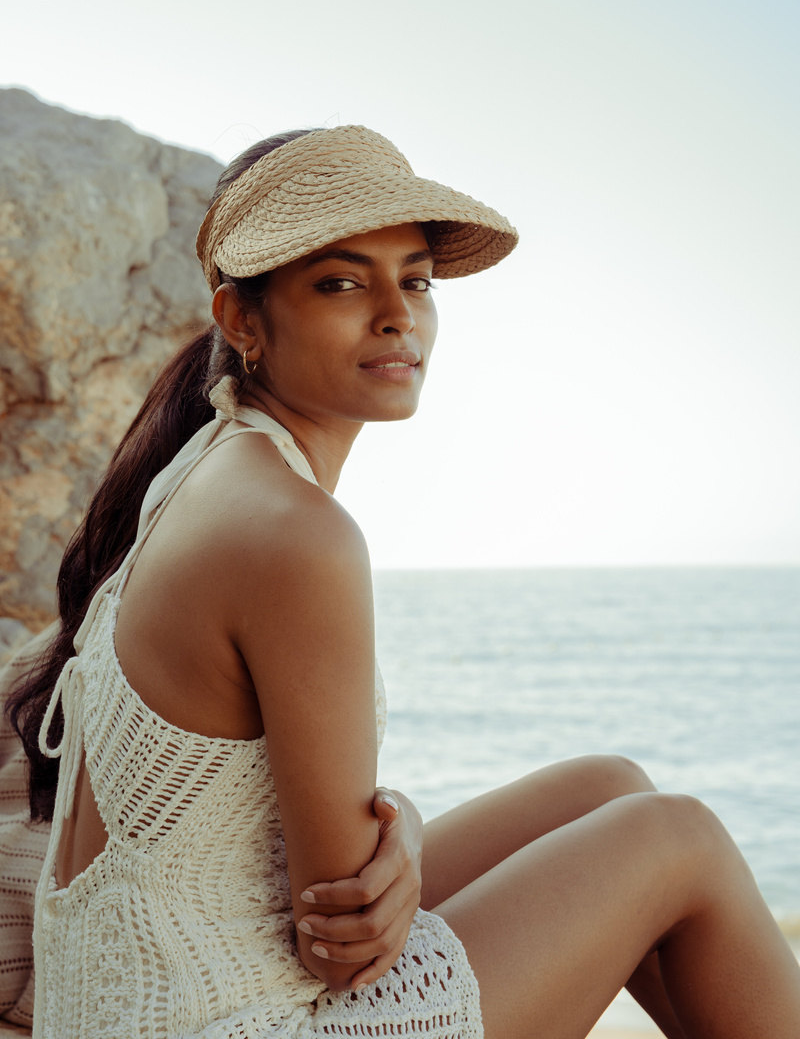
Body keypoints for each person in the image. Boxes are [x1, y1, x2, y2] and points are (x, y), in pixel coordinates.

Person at [7, 124, 800, 1039]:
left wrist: (406, 831)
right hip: (225, 1021)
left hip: (130, 1006)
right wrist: (404, 829)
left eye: (415, 280)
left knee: (611, 786)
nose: (397, 314)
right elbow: (340, 940)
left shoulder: (202, 468)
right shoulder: (298, 536)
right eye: (343, 282)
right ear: (241, 321)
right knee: (677, 840)